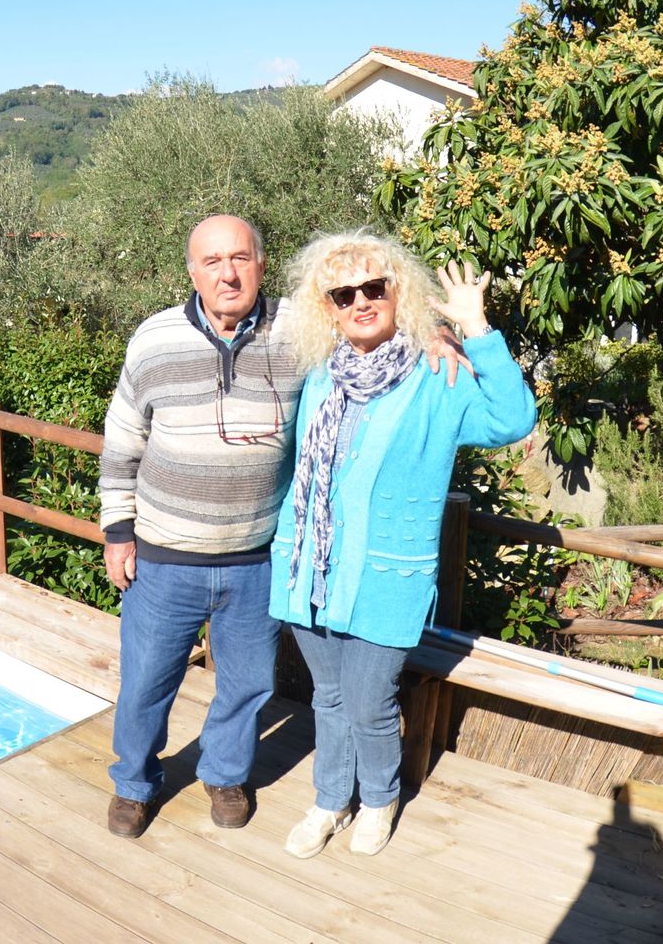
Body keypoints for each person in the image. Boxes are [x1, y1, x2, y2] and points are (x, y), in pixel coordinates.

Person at [98, 214, 460, 839]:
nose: (228, 273)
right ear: (192, 272)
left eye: (240, 258)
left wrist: (443, 334)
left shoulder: (301, 329)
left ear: (262, 265)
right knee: (146, 685)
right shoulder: (153, 338)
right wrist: (117, 531)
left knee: (246, 685)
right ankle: (133, 784)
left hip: (258, 557)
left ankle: (225, 775)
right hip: (164, 555)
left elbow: (374, 318)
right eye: (212, 261)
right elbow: (122, 442)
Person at [268, 231, 534, 859]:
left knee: (369, 702)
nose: (360, 301)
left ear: (398, 292)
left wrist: (473, 329)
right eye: (343, 294)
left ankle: (379, 799)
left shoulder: (436, 374)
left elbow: (513, 419)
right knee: (329, 697)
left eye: (373, 287)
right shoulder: (319, 375)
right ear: (327, 307)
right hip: (310, 568)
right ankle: (330, 800)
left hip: (386, 578)